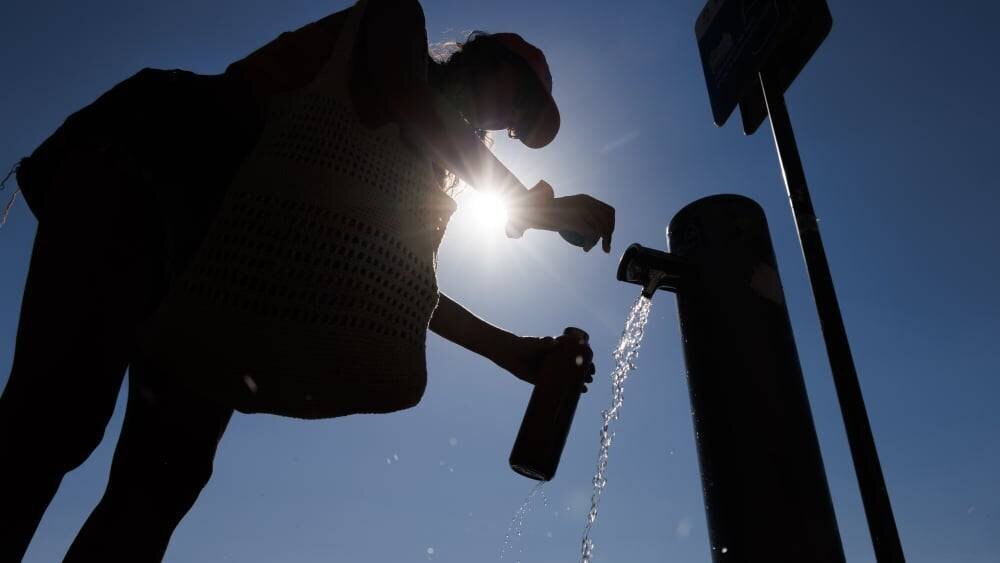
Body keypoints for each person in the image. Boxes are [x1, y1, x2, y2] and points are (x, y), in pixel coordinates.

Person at [0, 0, 615, 560]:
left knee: (162, 484)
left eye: (522, 122)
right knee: (53, 422)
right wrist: (533, 207)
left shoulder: (421, 172)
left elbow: (390, 288)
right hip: (145, 169)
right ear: (485, 57)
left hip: (218, 266)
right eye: (522, 98)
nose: (512, 119)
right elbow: (403, 94)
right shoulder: (396, 23)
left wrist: (513, 352)